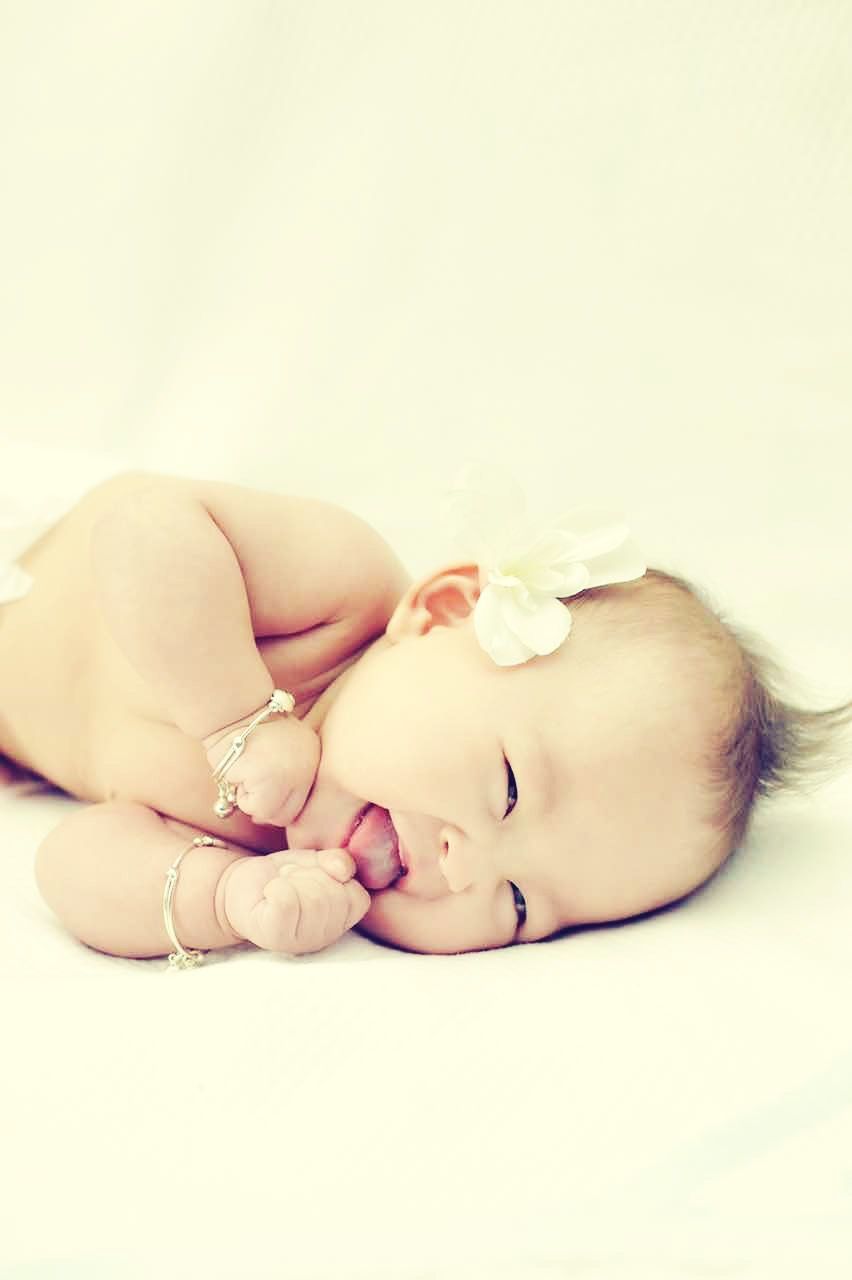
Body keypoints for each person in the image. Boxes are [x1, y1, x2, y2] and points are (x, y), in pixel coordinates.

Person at [1, 464, 849, 964]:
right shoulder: (337, 598)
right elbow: (140, 523)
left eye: (520, 906)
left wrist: (224, 898)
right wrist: (239, 720)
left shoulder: (265, 847)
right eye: (511, 789)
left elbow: (71, 866)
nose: (465, 868)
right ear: (442, 612)